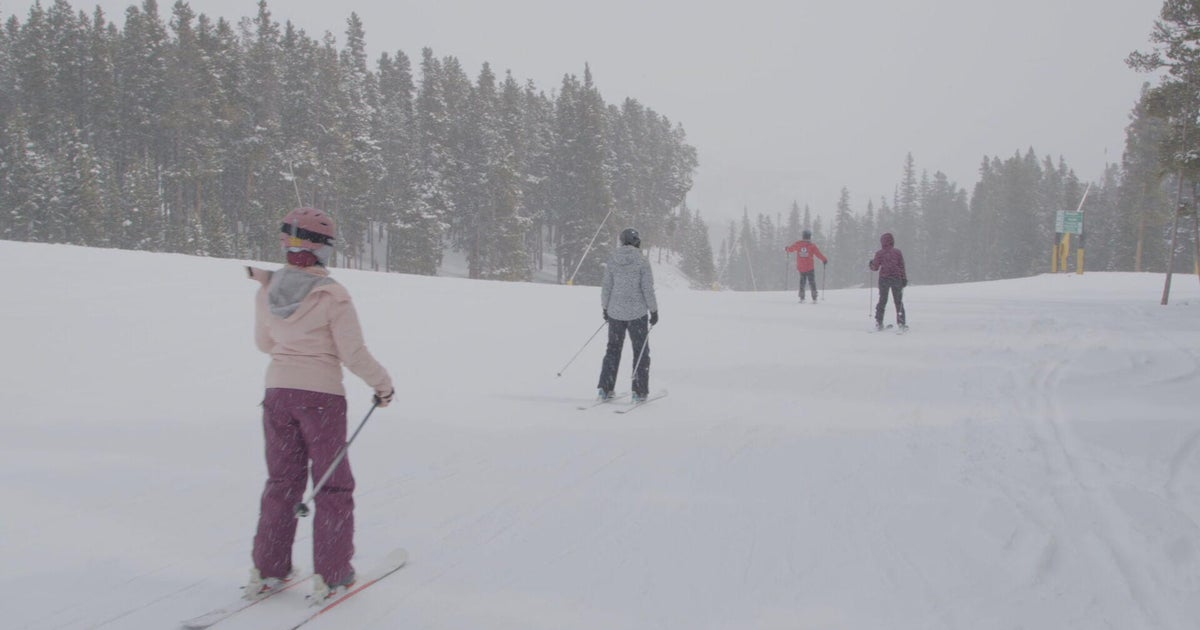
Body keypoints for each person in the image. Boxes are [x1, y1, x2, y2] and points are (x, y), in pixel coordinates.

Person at [244, 207, 394, 604]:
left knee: (282, 481)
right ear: (324, 250)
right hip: (322, 399)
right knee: (332, 484)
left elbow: (265, 344)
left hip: (277, 393)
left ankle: (267, 570)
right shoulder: (333, 294)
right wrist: (383, 385)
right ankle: (332, 575)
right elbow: (352, 352)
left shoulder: (267, 288)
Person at [597, 227, 659, 402]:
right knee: (640, 351)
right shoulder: (642, 261)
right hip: (637, 315)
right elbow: (647, 289)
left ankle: (605, 388)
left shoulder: (613, 260)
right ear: (636, 241)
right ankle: (639, 391)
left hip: (615, 313)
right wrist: (653, 310)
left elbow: (606, 287)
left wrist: (605, 308)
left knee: (612, 350)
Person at [868, 232, 908, 330]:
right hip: (896, 278)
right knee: (898, 301)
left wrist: (871, 264)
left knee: (882, 300)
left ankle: (879, 322)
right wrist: (904, 278)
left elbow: (875, 267)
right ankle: (901, 323)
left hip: (884, 279)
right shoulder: (897, 252)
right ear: (892, 241)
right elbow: (901, 266)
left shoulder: (880, 253)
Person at [784, 229, 828, 303]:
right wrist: (824, 259)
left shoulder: (798, 244)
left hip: (801, 268)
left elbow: (791, 249)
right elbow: (818, 254)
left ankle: (802, 298)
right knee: (812, 282)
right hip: (810, 267)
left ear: (803, 236)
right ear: (809, 237)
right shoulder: (812, 246)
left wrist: (787, 249)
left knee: (802, 283)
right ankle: (814, 298)